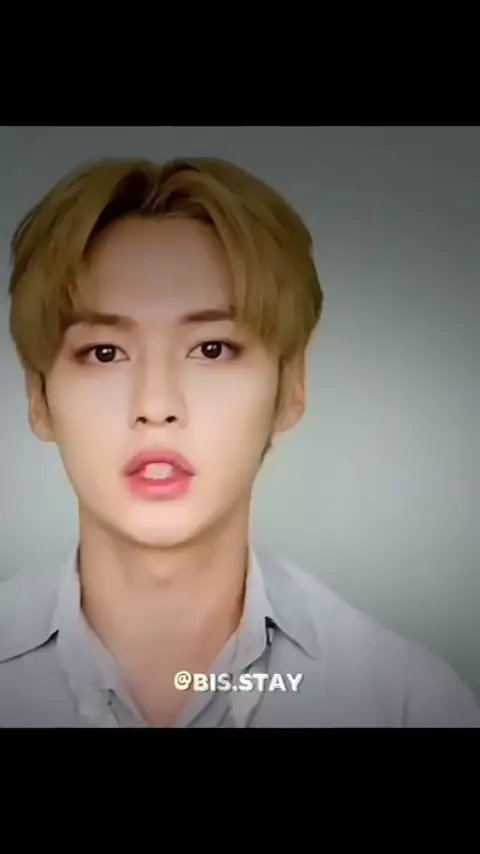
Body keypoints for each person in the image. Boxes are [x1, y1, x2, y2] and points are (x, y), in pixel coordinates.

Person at [0, 156, 478, 728]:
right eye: (105, 353)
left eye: (212, 349)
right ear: (38, 397)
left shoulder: (406, 705)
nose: (156, 405)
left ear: (291, 387)